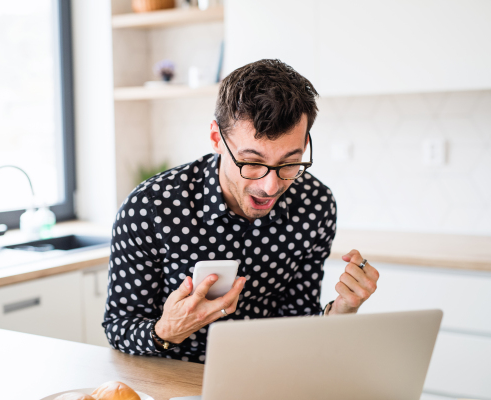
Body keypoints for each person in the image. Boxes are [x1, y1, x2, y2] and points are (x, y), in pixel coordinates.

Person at [103, 59, 379, 363]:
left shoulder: (315, 204)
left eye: (290, 162)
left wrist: (339, 313)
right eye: (252, 162)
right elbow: (119, 328)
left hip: (268, 377)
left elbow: (297, 321)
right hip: (177, 380)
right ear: (216, 138)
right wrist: (165, 331)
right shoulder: (151, 207)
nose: (271, 186)